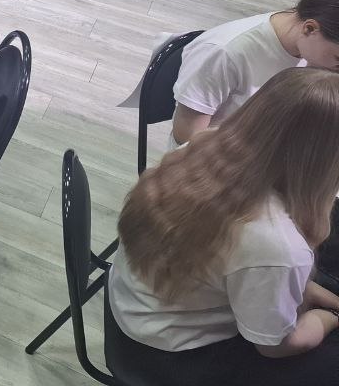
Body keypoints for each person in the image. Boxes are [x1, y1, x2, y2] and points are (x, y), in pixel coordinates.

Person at [107, 68, 339, 385]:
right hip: (168, 357)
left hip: (134, 307)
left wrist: (316, 294)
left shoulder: (205, 146)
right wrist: (328, 318)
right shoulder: (277, 245)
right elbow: (275, 346)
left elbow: (237, 264)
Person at [171, 0, 339, 146]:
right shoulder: (224, 53)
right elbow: (187, 137)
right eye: (338, 59)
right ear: (309, 29)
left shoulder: (306, 42)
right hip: (220, 154)